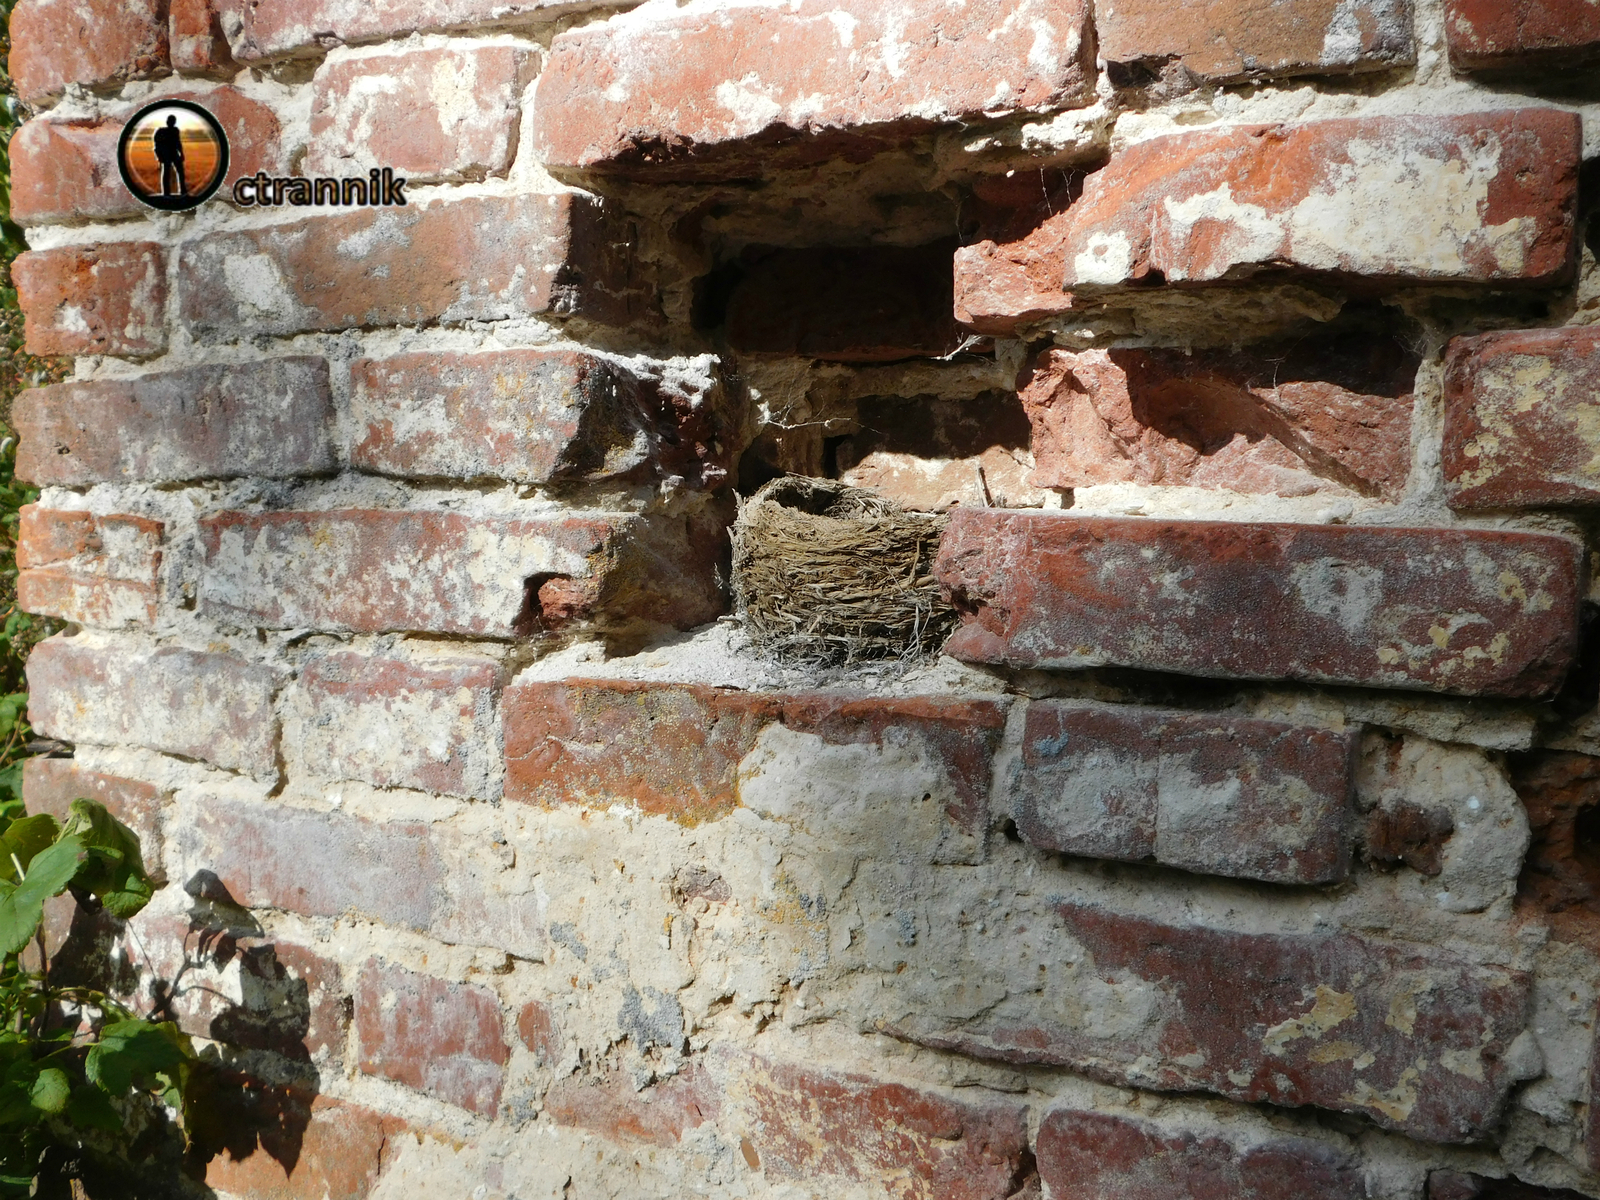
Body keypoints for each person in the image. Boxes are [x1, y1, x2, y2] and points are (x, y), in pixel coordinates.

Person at [152, 114, 186, 197]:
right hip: (166, 153)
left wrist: (181, 153)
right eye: (171, 121)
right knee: (167, 172)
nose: (172, 123)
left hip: (173, 153)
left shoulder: (175, 130)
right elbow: (157, 145)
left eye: (173, 121)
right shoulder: (161, 131)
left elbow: (178, 143)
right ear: (167, 122)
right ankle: (166, 193)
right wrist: (159, 156)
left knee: (180, 171)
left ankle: (183, 191)